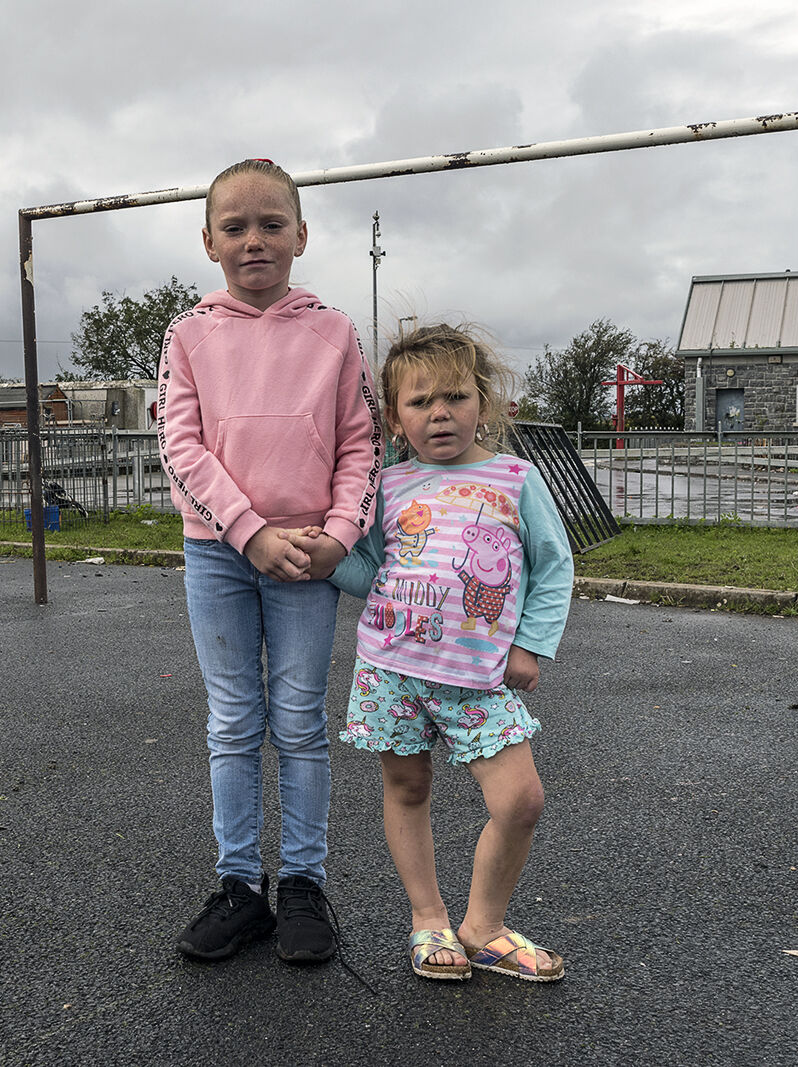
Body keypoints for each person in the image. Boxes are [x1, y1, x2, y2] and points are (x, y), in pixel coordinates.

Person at [158, 158, 383, 964]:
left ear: (301, 233)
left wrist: (340, 534)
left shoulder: (336, 332)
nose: (254, 239)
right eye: (235, 226)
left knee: (298, 722)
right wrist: (247, 528)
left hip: (308, 558)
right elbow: (178, 444)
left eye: (271, 223)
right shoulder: (188, 335)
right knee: (232, 721)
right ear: (209, 240)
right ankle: (239, 887)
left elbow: (362, 442)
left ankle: (302, 886)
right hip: (218, 551)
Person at [320, 322, 575, 982]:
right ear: (396, 418)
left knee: (520, 800)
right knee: (407, 787)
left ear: (482, 405)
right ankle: (428, 919)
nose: (440, 412)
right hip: (391, 669)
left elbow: (554, 566)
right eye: (420, 400)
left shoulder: (516, 479)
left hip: (479, 677)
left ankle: (483, 926)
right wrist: (322, 559)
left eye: (456, 396)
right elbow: (367, 566)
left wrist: (530, 645)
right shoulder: (385, 486)